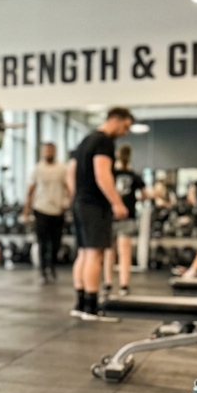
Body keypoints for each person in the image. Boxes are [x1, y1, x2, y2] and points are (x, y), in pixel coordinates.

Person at [67, 107, 133, 321]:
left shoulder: (86, 140)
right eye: (125, 126)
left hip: (80, 202)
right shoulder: (104, 141)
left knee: (84, 253)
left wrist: (76, 196)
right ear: (116, 119)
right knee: (95, 254)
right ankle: (91, 307)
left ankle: (80, 304)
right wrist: (117, 203)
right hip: (94, 205)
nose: (125, 132)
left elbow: (70, 172)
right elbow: (102, 174)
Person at [23, 141, 68, 284]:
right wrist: (26, 210)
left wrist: (68, 201)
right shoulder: (37, 169)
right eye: (46, 151)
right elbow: (30, 191)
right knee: (42, 242)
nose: (48, 153)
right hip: (41, 209)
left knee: (55, 243)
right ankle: (43, 271)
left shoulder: (62, 169)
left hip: (57, 210)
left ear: (54, 152)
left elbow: (68, 187)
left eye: (50, 151)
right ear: (42, 152)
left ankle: (52, 266)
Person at [104, 144, 146, 297]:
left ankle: (108, 284)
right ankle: (124, 285)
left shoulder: (110, 174)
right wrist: (133, 199)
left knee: (109, 252)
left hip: (110, 215)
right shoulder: (133, 175)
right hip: (127, 215)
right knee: (124, 252)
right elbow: (145, 194)